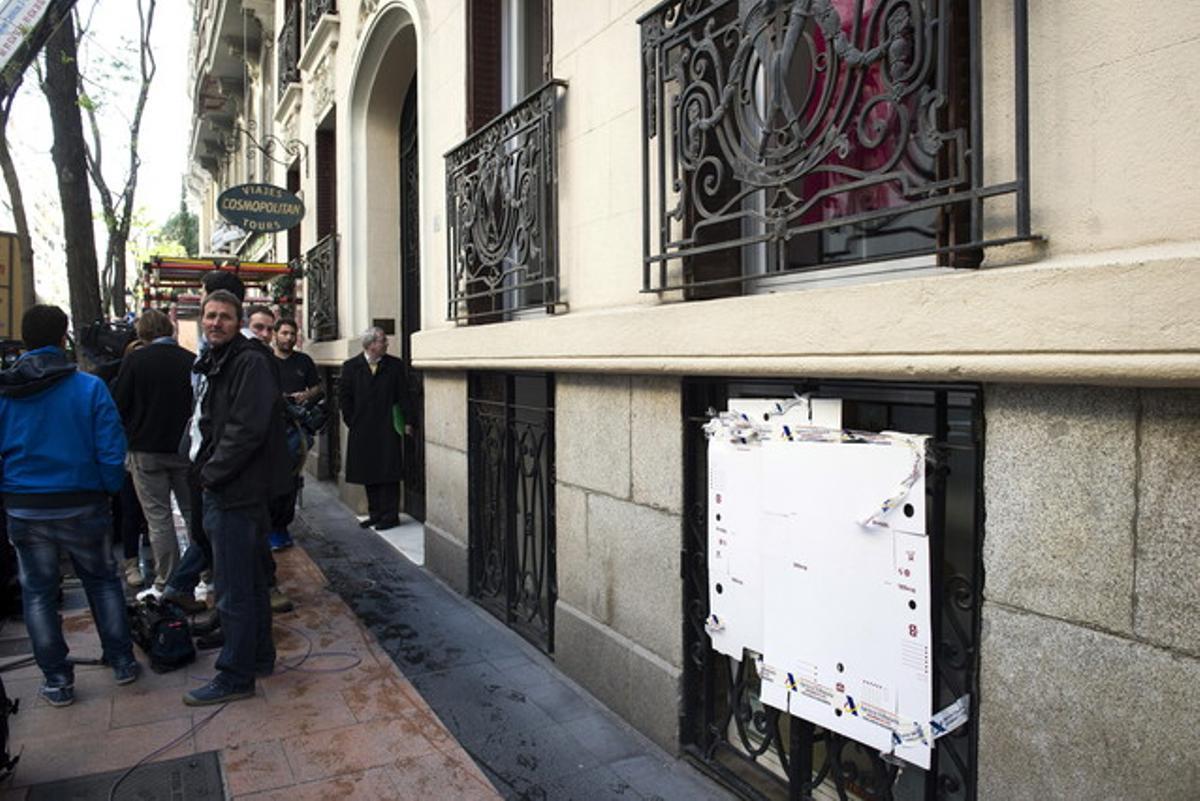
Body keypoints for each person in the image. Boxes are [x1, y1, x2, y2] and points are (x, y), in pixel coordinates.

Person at [0, 305, 139, 706]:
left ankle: (58, 679)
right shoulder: (89, 388)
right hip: (83, 504)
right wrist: (106, 489)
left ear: (24, 340)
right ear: (64, 339)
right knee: (103, 581)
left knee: (39, 594)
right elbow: (112, 447)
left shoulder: (7, 393)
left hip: (25, 507)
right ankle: (122, 660)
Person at [184, 290, 289, 705]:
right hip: (230, 489)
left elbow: (245, 430)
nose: (215, 323)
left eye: (224, 317)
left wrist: (210, 475)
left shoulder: (248, 361)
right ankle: (258, 656)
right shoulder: (221, 359)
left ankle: (235, 674)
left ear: (237, 321)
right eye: (209, 316)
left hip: (235, 492)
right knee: (248, 582)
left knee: (233, 589)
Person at [112, 309, 197, 603]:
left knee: (158, 518)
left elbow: (119, 404)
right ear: (169, 329)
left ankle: (168, 580)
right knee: (192, 512)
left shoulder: (135, 361)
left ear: (142, 334)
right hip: (184, 449)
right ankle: (205, 574)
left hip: (145, 450)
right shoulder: (190, 361)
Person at [339, 327, 405, 530]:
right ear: (370, 345)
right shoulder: (351, 367)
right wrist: (354, 422)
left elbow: (404, 395)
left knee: (389, 472)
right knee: (369, 471)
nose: (387, 343)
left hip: (387, 426)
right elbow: (345, 398)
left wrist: (408, 422)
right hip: (363, 427)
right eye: (383, 340)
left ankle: (390, 516)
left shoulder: (395, 365)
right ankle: (375, 513)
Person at [268, 317, 321, 550]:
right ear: (275, 334)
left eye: (292, 334)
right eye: (285, 333)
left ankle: (280, 528)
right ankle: (267, 527)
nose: (289, 338)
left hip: (296, 430)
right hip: (269, 429)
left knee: (288, 480)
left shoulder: (304, 361)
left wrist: (305, 396)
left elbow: (318, 388)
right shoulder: (265, 361)